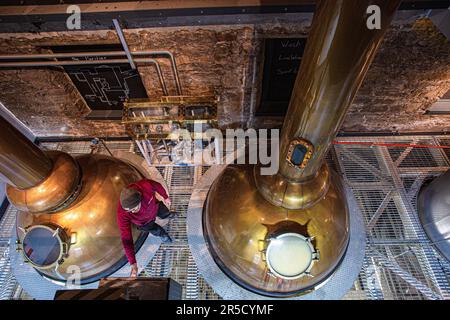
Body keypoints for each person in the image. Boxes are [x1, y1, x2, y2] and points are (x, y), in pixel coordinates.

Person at [117, 178, 173, 277]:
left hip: (155, 207)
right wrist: (133, 263)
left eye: (135, 208)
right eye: (130, 211)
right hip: (144, 222)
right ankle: (163, 235)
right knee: (155, 230)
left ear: (140, 197)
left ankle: (167, 215)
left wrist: (165, 197)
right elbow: (126, 239)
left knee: (164, 212)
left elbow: (157, 186)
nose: (133, 212)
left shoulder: (145, 186)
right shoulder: (122, 213)